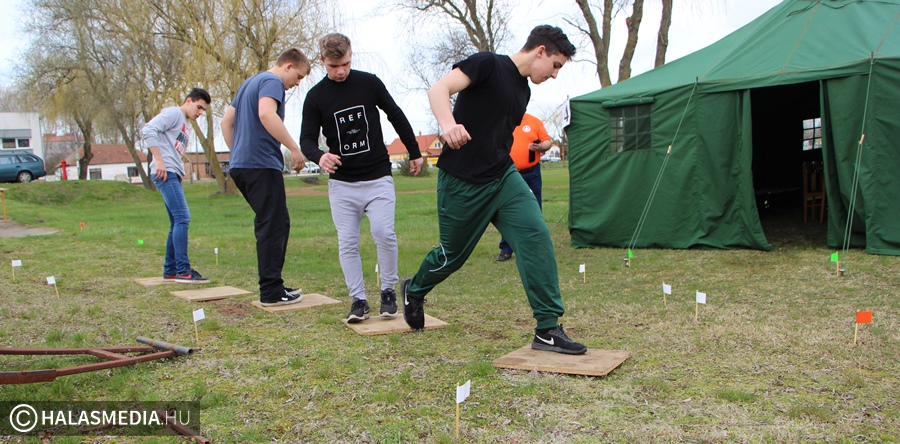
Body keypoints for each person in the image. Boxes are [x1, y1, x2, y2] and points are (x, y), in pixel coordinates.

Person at [400, 25, 587, 355]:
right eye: (556, 65)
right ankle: (414, 290)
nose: (555, 74)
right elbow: (439, 89)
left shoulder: (523, 91)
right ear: (541, 51)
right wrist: (448, 125)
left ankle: (547, 328)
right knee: (451, 256)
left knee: (536, 236)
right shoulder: (487, 64)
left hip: (503, 177)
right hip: (462, 181)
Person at [300, 33, 423, 323]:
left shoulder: (369, 83)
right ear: (322, 61)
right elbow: (306, 140)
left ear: (351, 56)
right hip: (342, 184)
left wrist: (415, 151)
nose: (340, 71)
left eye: (345, 64)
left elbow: (396, 115)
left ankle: (388, 292)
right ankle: (358, 300)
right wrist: (319, 156)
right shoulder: (316, 97)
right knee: (347, 242)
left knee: (384, 233)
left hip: (377, 177)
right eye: (333, 66)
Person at [220, 48, 310, 306]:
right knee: (273, 224)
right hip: (261, 164)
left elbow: (226, 121)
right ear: (288, 66)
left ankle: (274, 284)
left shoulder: (250, 83)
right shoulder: (272, 82)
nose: (297, 83)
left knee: (274, 221)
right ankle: (271, 290)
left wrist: (238, 152)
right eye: (299, 76)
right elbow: (266, 114)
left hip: (242, 165)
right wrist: (294, 148)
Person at [142, 87, 212, 284]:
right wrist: (159, 160)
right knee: (183, 217)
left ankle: (171, 270)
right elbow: (148, 130)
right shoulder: (174, 113)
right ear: (188, 101)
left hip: (173, 173)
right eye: (199, 107)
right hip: (165, 172)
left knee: (176, 221)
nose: (200, 113)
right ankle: (183, 270)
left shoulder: (185, 123)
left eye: (203, 110)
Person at [496, 112, 552, 262]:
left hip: (532, 173)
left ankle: (536, 247)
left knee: (534, 210)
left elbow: (547, 142)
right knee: (507, 210)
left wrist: (540, 146)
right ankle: (506, 249)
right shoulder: (503, 120)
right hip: (509, 173)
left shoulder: (534, 121)